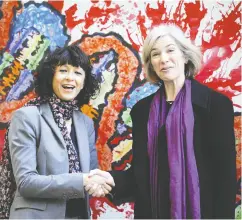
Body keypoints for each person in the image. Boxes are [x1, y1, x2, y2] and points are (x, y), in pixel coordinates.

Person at [87, 23, 237, 219]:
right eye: (155, 54)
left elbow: (225, 179)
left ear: (184, 56)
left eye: (170, 50)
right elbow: (141, 175)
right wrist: (111, 179)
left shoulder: (215, 106)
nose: (164, 59)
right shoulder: (142, 111)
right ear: (151, 64)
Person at [6, 45, 114, 219]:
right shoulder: (27, 117)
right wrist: (82, 181)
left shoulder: (85, 122)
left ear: (84, 81)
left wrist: (102, 182)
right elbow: (26, 182)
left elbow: (91, 173)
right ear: (51, 76)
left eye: (78, 73)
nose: (70, 78)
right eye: (63, 70)